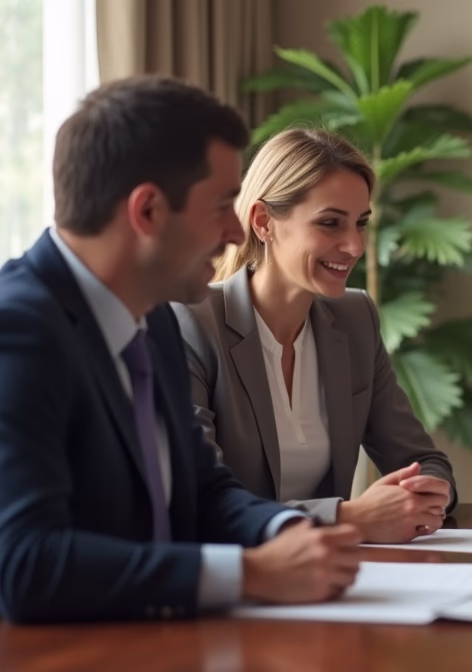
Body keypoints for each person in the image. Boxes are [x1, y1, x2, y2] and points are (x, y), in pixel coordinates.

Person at [0, 77, 362, 623]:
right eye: (222, 206)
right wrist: (252, 574)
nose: (237, 233)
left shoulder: (155, 319)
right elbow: (24, 564)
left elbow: (203, 488)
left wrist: (285, 530)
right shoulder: (19, 331)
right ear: (146, 212)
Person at [171, 129, 456, 544]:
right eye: (330, 223)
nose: (354, 246)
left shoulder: (356, 318)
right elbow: (199, 501)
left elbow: (423, 460)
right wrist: (347, 517)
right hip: (241, 581)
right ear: (264, 222)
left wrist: (426, 492)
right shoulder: (189, 323)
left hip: (335, 576)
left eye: (360, 224)